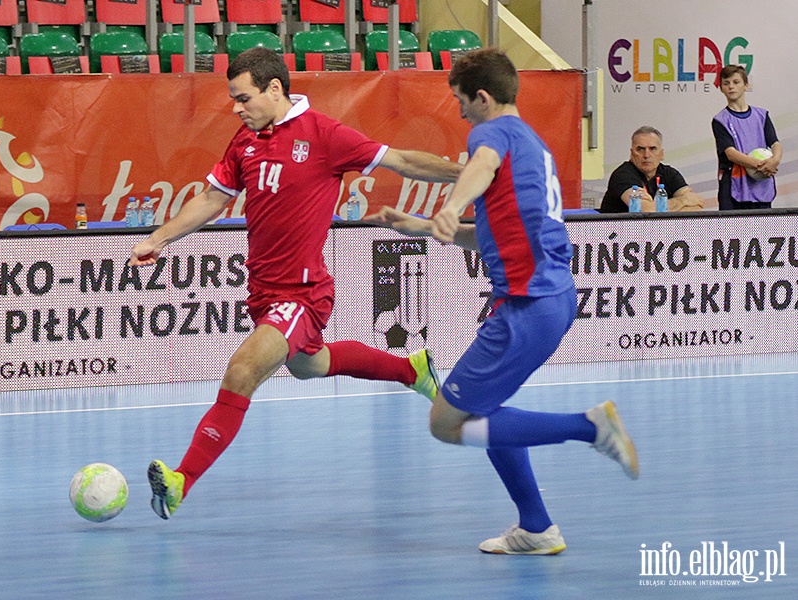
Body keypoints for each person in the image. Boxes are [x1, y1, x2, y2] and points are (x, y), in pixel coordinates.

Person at [128, 48, 462, 520]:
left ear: (274, 89)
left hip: (302, 293)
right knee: (311, 364)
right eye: (233, 99)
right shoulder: (244, 141)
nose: (236, 108)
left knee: (242, 370)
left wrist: (469, 174)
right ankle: (413, 371)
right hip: (263, 291)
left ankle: (182, 480)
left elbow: (403, 159)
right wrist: (158, 238)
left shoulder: (324, 135)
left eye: (243, 98)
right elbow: (210, 198)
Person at [367, 48, 639, 555]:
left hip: (525, 307)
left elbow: (479, 165)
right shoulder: (533, 145)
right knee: (487, 410)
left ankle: (588, 428)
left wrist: (450, 205)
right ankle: (537, 527)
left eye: (460, 101)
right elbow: (495, 234)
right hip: (549, 300)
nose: (460, 111)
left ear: (484, 98)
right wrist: (427, 227)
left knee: (446, 423)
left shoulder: (491, 136)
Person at [712, 64, 782, 210]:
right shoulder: (720, 120)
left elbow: (775, 143)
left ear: (746, 85)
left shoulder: (762, 115)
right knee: (732, 230)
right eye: (726, 83)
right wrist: (761, 165)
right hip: (733, 185)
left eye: (736, 82)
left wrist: (774, 161)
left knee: (761, 230)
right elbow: (730, 153)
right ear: (721, 88)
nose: (731, 87)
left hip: (760, 184)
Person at [600, 126, 704, 213]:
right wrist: (683, 201)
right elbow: (645, 211)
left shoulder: (669, 173)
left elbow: (697, 206)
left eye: (653, 149)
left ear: (662, 154)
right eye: (640, 149)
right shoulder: (623, 175)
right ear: (631, 154)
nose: (646, 155)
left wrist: (656, 207)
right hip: (620, 233)